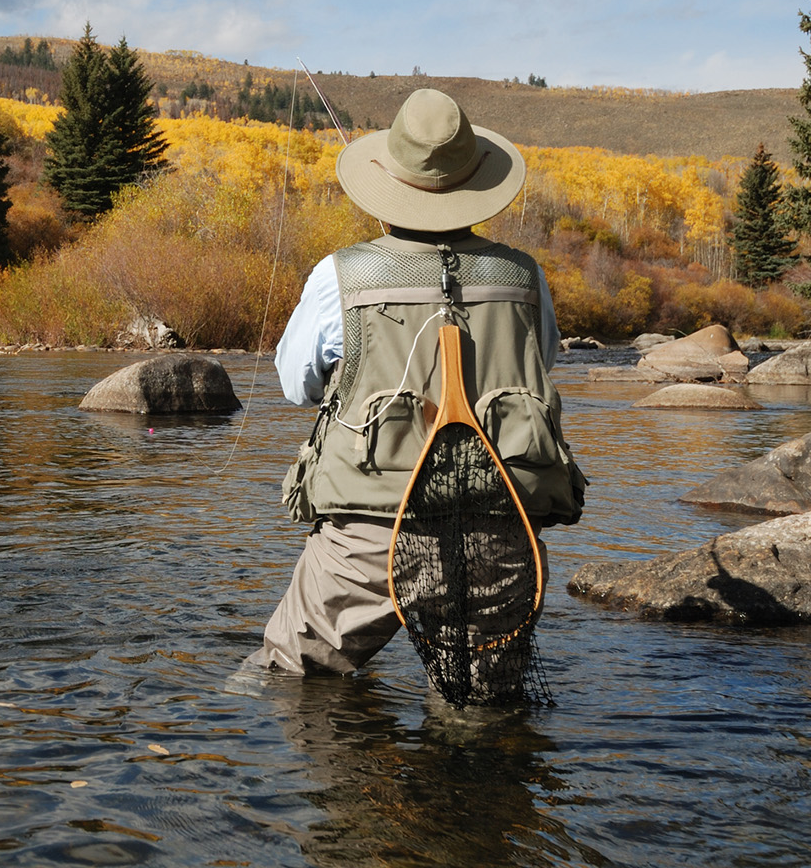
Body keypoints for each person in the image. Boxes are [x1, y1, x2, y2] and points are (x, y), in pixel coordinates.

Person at [246, 88, 586, 677]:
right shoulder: (524, 275)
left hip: (367, 535)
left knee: (293, 686)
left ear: (389, 184)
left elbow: (295, 385)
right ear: (477, 185)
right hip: (500, 534)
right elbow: (541, 364)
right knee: (483, 718)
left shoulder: (339, 275)